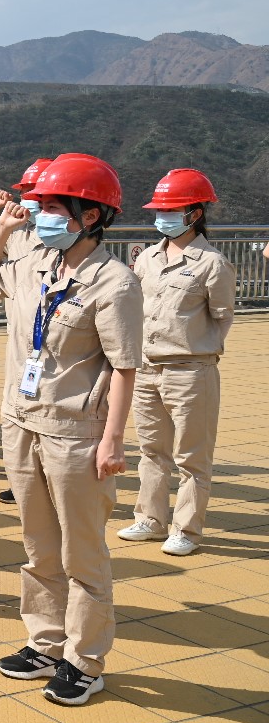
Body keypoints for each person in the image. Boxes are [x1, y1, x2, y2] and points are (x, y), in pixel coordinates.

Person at [0, 153, 141, 706]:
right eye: (40, 205)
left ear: (90, 216)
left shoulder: (115, 282)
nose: (41, 215)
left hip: (75, 433)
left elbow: (123, 367)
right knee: (39, 545)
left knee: (82, 553)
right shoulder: (36, 264)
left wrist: (113, 439)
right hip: (23, 422)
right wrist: (3, 230)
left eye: (52, 207)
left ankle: (84, 660)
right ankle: (45, 642)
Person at [119, 169, 236, 556]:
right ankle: (150, 520)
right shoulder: (147, 258)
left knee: (192, 456)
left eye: (171, 211)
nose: (162, 217)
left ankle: (186, 529)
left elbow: (222, 317)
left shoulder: (212, 263)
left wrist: (197, 348)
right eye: (160, 210)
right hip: (147, 367)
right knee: (152, 450)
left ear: (195, 214)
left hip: (190, 370)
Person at [0, 156, 53, 505]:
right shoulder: (18, 233)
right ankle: (20, 479)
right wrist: (0, 219)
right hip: (21, 338)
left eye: (36, 193)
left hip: (53, 339)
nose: (28, 198)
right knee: (18, 413)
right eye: (26, 192)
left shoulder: (60, 237)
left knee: (46, 413)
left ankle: (47, 478)